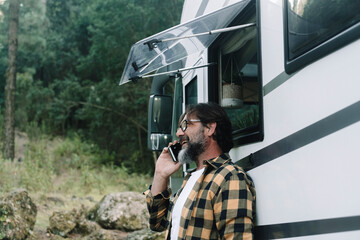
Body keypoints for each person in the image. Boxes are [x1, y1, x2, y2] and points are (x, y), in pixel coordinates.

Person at [144, 102, 256, 239]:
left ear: (209, 128)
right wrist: (160, 174)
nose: (179, 133)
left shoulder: (230, 177)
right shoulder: (191, 178)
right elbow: (157, 223)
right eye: (180, 127)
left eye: (186, 125)